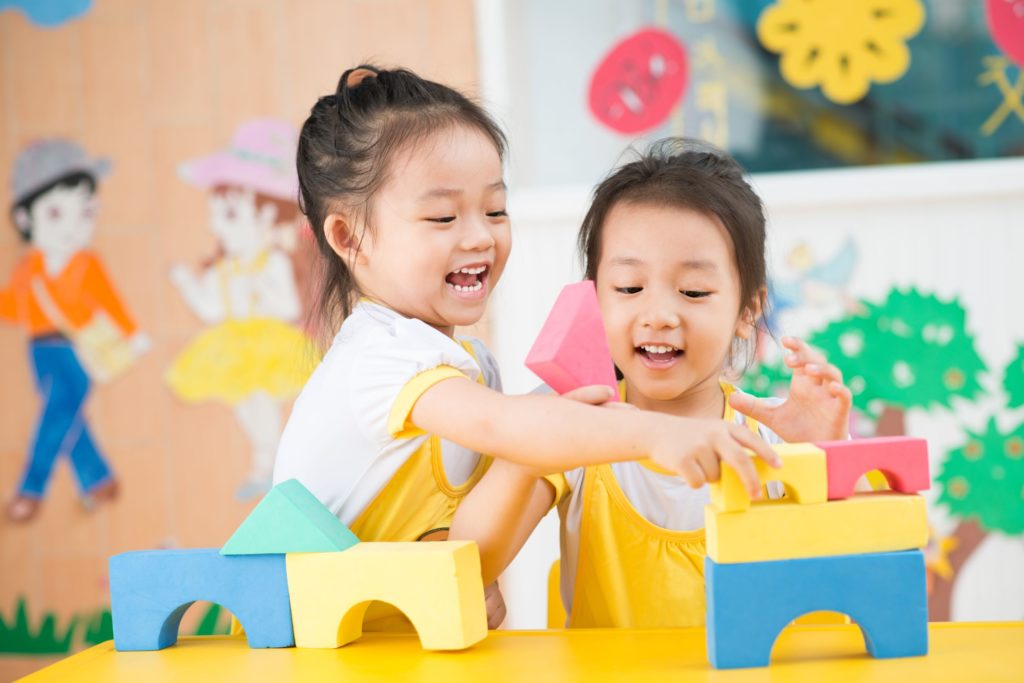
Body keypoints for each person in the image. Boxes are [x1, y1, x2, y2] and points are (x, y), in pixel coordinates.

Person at [273, 69, 778, 628]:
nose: (479, 236)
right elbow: (507, 433)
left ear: (746, 308)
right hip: (312, 640)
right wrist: (654, 432)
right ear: (349, 238)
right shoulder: (378, 358)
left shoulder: (471, 370)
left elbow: (473, 520)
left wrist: (464, 569)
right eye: (443, 216)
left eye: (495, 210)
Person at [450, 138, 853, 628]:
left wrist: (821, 458)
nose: (658, 315)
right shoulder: (576, 425)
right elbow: (467, 565)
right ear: (594, 299)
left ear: (748, 309)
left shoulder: (773, 436)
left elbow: (847, 593)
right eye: (629, 288)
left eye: (693, 291)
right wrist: (530, 439)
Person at [166, 119, 315, 501]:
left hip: (267, 344)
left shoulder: (273, 264)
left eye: (229, 214)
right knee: (246, 406)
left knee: (263, 403)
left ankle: (274, 465)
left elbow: (286, 306)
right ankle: (267, 465)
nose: (219, 226)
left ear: (267, 216)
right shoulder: (224, 269)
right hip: (234, 347)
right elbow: (213, 309)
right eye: (216, 214)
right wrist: (188, 285)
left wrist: (260, 290)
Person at [1, 140, 149, 522]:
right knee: (66, 414)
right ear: (24, 219)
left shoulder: (87, 264)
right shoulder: (28, 269)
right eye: (54, 212)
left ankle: (31, 490)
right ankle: (98, 480)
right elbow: (14, 307)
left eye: (82, 212)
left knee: (60, 412)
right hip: (41, 351)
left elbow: (111, 302)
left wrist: (132, 334)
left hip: (80, 349)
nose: (71, 225)